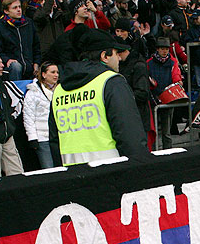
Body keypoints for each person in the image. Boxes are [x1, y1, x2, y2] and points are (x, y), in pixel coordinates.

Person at [49, 28, 149, 166]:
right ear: (104, 56)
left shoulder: (59, 89)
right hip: (111, 172)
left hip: (73, 173)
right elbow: (130, 136)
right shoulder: (112, 82)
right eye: (116, 53)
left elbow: (55, 141)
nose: (119, 58)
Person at [0, 0, 41, 80]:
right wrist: (7, 60)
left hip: (29, 67)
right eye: (15, 8)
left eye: (19, 7)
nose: (19, 10)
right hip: (10, 68)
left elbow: (36, 46)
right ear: (6, 11)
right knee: (16, 66)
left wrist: (36, 63)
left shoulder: (29, 23)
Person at [146, 37, 182, 150]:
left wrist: (178, 82)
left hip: (168, 98)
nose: (164, 51)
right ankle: (153, 151)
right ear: (157, 49)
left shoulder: (173, 62)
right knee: (153, 130)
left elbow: (176, 75)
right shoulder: (149, 63)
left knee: (166, 132)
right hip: (153, 98)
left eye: (166, 49)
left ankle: (168, 151)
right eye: (162, 49)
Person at [23, 62, 59, 169]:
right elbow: (28, 117)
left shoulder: (61, 90)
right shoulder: (33, 92)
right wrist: (32, 138)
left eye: (57, 72)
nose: (56, 75)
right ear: (43, 74)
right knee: (48, 169)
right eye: (52, 72)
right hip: (42, 138)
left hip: (59, 137)